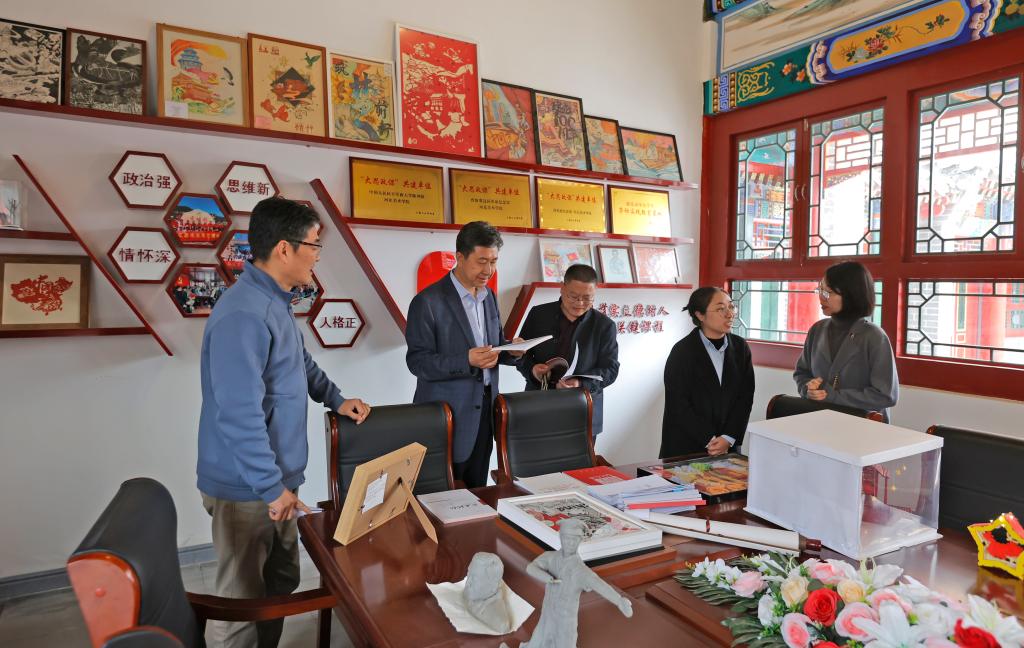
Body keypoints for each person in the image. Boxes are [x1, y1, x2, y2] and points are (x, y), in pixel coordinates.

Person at [196, 197, 371, 648]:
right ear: (284, 249)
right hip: (248, 487)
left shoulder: (274, 300)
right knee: (240, 604)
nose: (317, 255)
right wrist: (271, 487)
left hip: (276, 481)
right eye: (314, 245)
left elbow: (300, 363)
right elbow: (238, 413)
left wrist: (336, 398)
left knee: (278, 585)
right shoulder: (243, 313)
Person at [405, 221, 521, 488]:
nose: (488, 270)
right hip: (446, 415)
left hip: (485, 410)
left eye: (494, 261)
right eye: (481, 262)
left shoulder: (489, 296)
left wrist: (511, 350)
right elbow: (418, 362)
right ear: (459, 257)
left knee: (478, 490)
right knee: (443, 495)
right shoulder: (428, 302)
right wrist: (466, 360)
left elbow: (492, 347)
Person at [516, 264, 619, 435]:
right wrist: (532, 370)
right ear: (562, 288)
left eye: (587, 298)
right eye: (573, 296)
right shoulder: (538, 314)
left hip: (582, 410)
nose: (579, 303)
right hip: (539, 405)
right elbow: (521, 355)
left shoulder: (604, 326)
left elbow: (611, 370)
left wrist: (580, 383)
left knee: (579, 454)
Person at [794, 261, 898, 419]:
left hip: (863, 425)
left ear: (851, 295)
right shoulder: (817, 329)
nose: (821, 297)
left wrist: (832, 396)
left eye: (828, 292)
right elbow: (802, 373)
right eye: (820, 290)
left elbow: (885, 395)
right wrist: (808, 389)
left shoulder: (874, 336)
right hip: (820, 420)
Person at [660, 286, 754, 458]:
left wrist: (728, 438)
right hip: (687, 446)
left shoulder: (740, 348)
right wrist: (709, 439)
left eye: (731, 307)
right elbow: (678, 403)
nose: (729, 314)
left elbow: (745, 397)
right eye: (721, 309)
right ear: (700, 315)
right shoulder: (682, 351)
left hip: (727, 445)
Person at [519, 519, 632, 648]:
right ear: (561, 537)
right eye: (567, 538)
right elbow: (531, 567)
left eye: (575, 539)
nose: (570, 543)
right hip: (548, 614)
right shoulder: (550, 557)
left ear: (579, 541)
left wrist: (619, 600)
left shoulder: (580, 570)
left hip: (565, 621)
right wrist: (547, 577)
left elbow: (599, 585)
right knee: (537, 641)